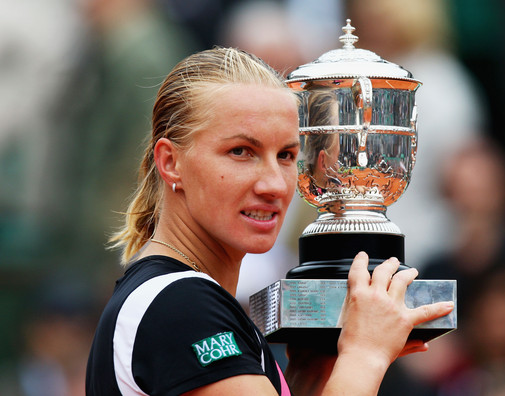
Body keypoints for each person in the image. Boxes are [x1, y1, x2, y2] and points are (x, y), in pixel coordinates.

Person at [85, 47, 454, 396]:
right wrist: (366, 354)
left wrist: (306, 381)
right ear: (170, 162)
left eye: (286, 155)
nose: (274, 184)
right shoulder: (180, 305)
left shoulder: (177, 299)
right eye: (241, 151)